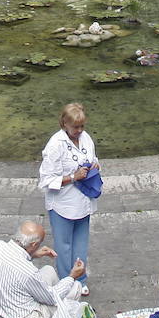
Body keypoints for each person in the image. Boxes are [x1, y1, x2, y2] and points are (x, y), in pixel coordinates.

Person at [0, 219, 84, 318]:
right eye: (38, 244)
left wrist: (33, 254)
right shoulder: (28, 272)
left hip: (1, 317)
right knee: (75, 288)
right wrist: (72, 276)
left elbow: (13, 262)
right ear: (33, 245)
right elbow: (52, 298)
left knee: (48, 270)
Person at [38, 102, 97, 290]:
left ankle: (80, 279)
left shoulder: (86, 138)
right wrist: (72, 177)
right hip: (62, 204)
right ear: (64, 124)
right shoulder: (55, 145)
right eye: (75, 127)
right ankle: (66, 280)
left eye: (82, 126)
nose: (79, 130)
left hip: (83, 200)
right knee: (64, 247)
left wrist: (95, 165)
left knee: (81, 244)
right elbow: (46, 180)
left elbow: (93, 159)